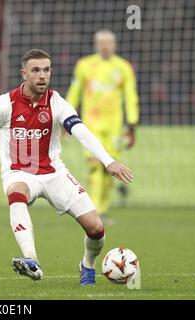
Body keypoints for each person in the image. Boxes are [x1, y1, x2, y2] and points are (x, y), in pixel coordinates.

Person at [0, 49, 134, 285]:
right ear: (24, 74)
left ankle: (87, 265)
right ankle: (31, 259)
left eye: (46, 70)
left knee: (96, 228)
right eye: (36, 70)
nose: (42, 76)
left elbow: (80, 131)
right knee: (16, 193)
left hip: (54, 173)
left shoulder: (58, 103)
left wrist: (108, 160)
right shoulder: (3, 104)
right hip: (19, 172)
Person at [66, 30, 140, 225]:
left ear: (114, 45)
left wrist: (132, 124)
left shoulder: (123, 67)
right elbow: (75, 92)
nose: (105, 46)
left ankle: (102, 209)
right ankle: (95, 210)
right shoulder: (84, 65)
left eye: (109, 43)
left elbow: (131, 96)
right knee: (94, 165)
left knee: (110, 168)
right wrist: (64, 117)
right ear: (96, 45)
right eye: (102, 43)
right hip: (90, 125)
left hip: (114, 127)